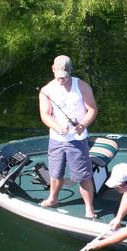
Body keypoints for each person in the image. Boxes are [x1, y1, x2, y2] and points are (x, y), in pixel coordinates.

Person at [38, 55, 99, 218]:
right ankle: (53, 199)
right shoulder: (46, 90)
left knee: (83, 176)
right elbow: (45, 115)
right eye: (58, 77)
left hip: (77, 140)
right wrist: (58, 126)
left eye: (64, 77)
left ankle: (89, 208)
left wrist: (83, 125)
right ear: (53, 70)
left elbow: (92, 109)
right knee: (55, 173)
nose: (61, 81)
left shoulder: (82, 86)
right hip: (56, 139)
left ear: (70, 72)